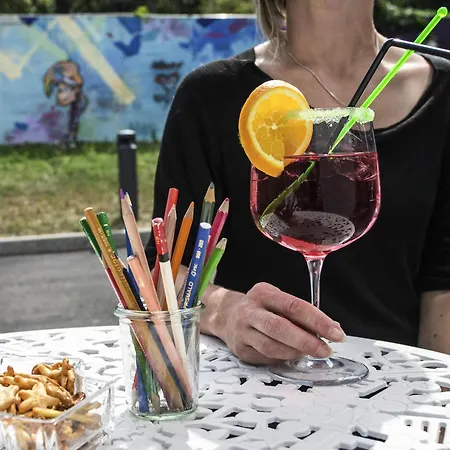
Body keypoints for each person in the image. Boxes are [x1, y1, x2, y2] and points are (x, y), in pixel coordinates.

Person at [146, 0, 450, 364]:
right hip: (250, 390)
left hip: (394, 383)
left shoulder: (444, 92)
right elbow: (160, 270)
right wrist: (224, 312)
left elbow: (443, 281)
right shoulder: (211, 95)